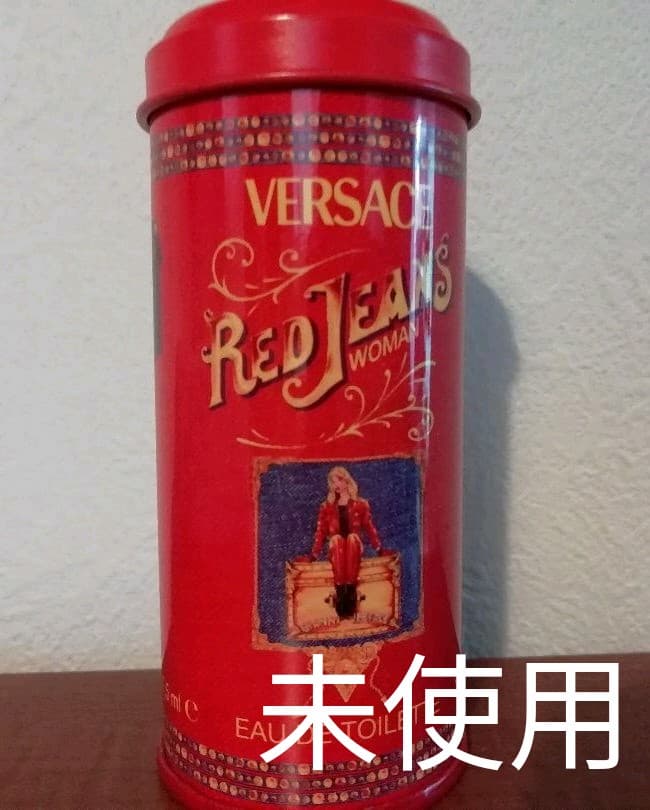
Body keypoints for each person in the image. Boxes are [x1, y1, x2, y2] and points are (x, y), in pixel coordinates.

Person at [297, 467, 391, 619]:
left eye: (339, 480)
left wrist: (379, 548)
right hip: (337, 548)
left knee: (352, 538)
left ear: (347, 481)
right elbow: (320, 532)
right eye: (333, 482)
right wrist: (313, 555)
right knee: (336, 540)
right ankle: (341, 592)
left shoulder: (361, 504)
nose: (336, 485)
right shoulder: (326, 507)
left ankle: (351, 590)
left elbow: (369, 528)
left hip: (354, 546)